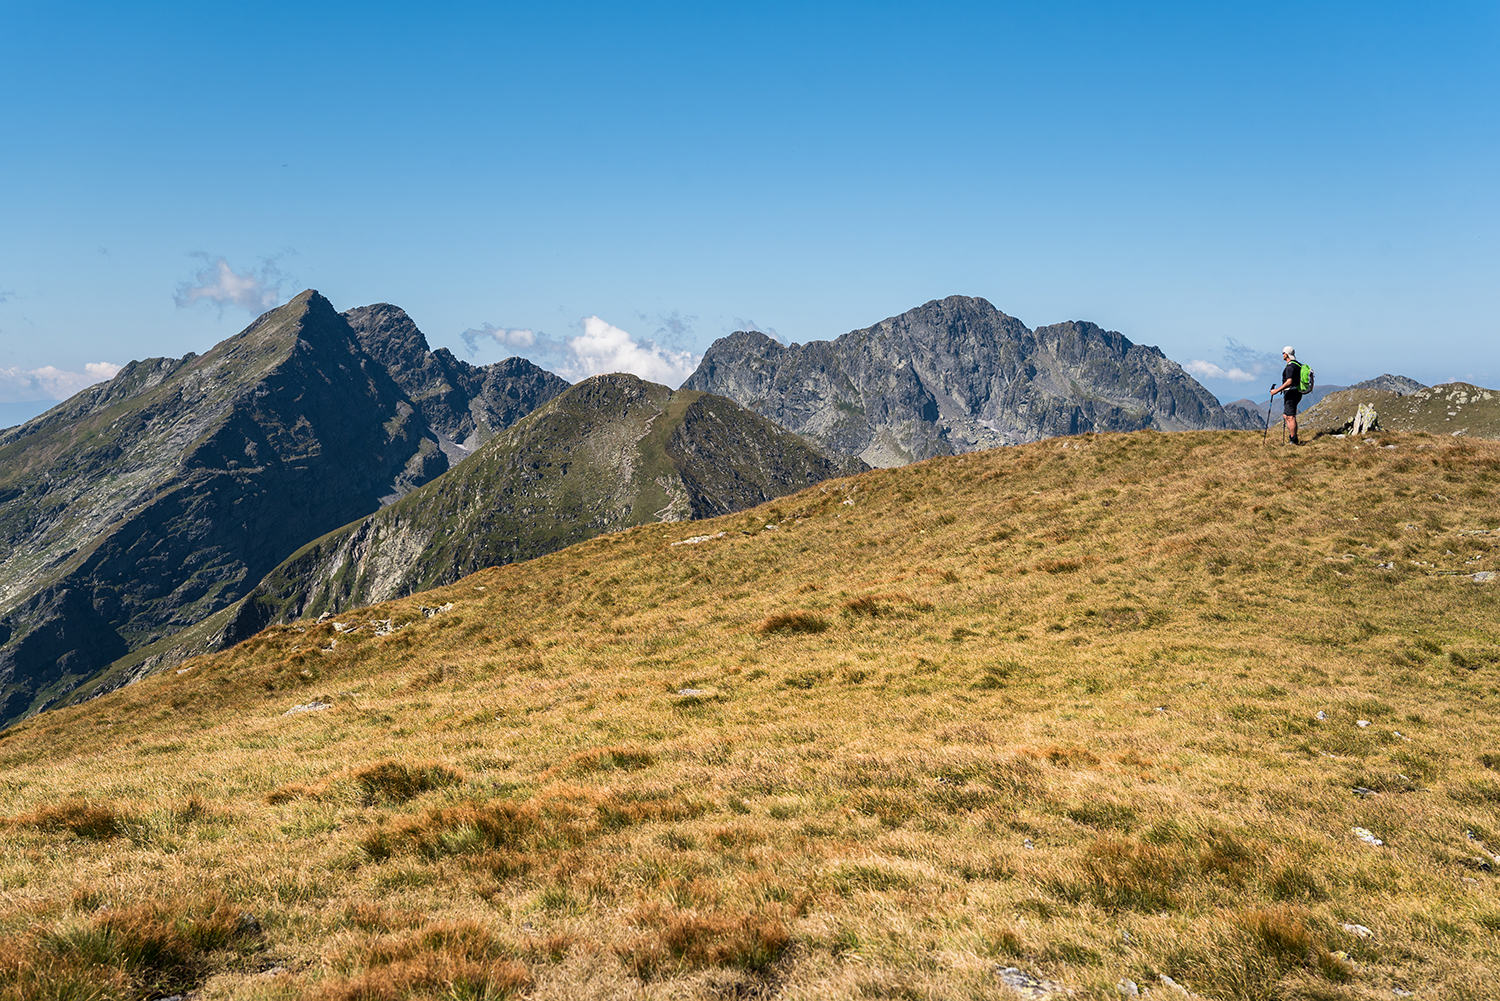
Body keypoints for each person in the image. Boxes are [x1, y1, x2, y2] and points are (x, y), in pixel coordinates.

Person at [1269, 346, 1302, 445]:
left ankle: (1293, 440)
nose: (1282, 355)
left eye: (1283, 353)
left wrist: (1276, 390)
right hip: (1295, 392)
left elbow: (1289, 382)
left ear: (1286, 354)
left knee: (1290, 417)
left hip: (1291, 394)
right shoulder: (1297, 364)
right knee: (1286, 416)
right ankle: (1293, 437)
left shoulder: (1290, 366)